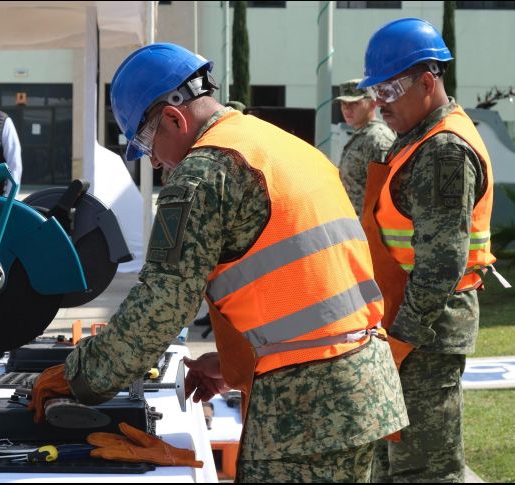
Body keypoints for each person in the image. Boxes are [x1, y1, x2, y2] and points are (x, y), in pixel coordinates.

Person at [29, 43, 408, 481]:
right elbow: (306, 286)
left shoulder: (204, 172)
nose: (154, 160)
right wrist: (235, 363)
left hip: (306, 411)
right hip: (363, 388)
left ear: (175, 119)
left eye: (148, 143)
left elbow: (162, 304)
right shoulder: (280, 144)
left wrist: (81, 376)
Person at [357, 18, 502, 482]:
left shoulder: (443, 150)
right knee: (390, 464)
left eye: (390, 89)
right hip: (406, 325)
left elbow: (442, 263)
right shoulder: (417, 140)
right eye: (375, 90)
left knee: (423, 471)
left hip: (423, 333)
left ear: (426, 81)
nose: (380, 103)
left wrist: (402, 339)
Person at [335, 79, 395, 217]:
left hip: (369, 225)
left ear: (373, 103)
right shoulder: (362, 134)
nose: (347, 109)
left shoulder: (378, 138)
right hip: (354, 222)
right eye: (343, 104)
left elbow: (384, 193)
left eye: (354, 103)